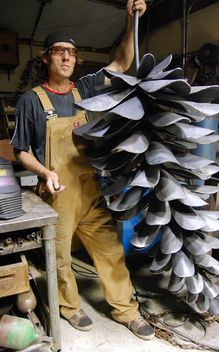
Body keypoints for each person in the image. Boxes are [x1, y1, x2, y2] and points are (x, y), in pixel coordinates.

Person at [11, 0, 155, 341]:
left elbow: (122, 61)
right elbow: (21, 151)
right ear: (46, 58)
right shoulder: (31, 100)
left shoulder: (85, 90)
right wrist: (45, 173)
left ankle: (126, 310)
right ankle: (69, 306)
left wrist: (129, 18)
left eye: (71, 53)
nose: (66, 57)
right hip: (58, 193)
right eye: (59, 51)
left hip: (92, 189)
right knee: (60, 256)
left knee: (110, 250)